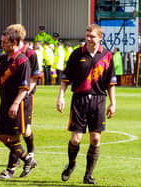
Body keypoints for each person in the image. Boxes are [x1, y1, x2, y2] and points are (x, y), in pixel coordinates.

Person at [56, 24, 116, 184]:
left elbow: (110, 83)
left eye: (92, 36)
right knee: (76, 139)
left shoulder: (107, 56)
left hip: (98, 100)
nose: (89, 39)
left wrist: (113, 103)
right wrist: (61, 97)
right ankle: (71, 164)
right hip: (79, 100)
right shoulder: (77, 54)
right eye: (87, 36)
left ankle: (88, 175)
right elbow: (65, 79)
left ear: (100, 38)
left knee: (95, 139)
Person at [0, 25, 37, 179]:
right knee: (2, 136)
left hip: (18, 104)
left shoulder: (23, 61)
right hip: (4, 102)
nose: (2, 45)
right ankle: (27, 159)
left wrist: (16, 103)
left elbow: (25, 86)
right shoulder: (1, 59)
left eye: (5, 42)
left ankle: (10, 171)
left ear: (14, 42)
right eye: (2, 42)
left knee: (15, 136)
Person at [6, 24, 42, 160]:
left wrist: (25, 94)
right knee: (13, 132)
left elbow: (34, 78)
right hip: (12, 96)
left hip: (25, 96)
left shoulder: (30, 53)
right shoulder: (9, 52)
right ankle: (17, 161)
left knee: (25, 130)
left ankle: (29, 153)